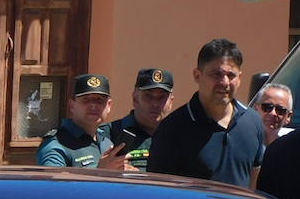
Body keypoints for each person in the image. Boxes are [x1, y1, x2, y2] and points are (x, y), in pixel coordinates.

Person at [147, 39, 266, 188]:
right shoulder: (172, 129)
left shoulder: (253, 122)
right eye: (216, 74)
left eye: (231, 75)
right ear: (197, 75)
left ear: (240, 78)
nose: (224, 82)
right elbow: (158, 191)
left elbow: (255, 181)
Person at [36, 74, 129, 169]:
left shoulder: (106, 142)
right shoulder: (57, 145)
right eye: (86, 100)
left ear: (109, 106)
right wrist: (100, 171)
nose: (93, 106)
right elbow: (54, 183)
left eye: (99, 100)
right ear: (72, 105)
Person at [104, 68, 174, 171]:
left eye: (161, 97)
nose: (155, 104)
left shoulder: (180, 136)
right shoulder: (109, 133)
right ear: (135, 98)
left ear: (171, 102)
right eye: (148, 96)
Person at [252, 82, 294, 148]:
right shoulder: (242, 143)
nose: (273, 113)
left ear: (288, 116)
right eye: (267, 107)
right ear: (256, 109)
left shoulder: (290, 151)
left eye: (280, 110)